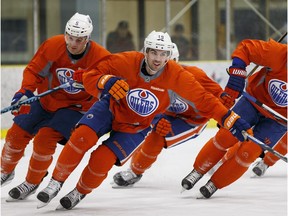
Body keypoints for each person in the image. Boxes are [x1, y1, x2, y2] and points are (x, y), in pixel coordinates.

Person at [36, 30, 252, 210]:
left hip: (137, 126)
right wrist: (105, 82)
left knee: (102, 159)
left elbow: (205, 101)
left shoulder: (178, 75)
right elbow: (91, 75)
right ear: (145, 51)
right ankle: (55, 182)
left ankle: (79, 191)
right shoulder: (125, 61)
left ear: (169, 56)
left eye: (163, 54)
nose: (158, 59)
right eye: (154, 52)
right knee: (81, 138)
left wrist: (229, 118)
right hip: (110, 108)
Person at [0, 12, 111, 201]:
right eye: (70, 37)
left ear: (88, 38)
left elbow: (108, 86)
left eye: (79, 39)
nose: (74, 43)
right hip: (46, 101)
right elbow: (35, 70)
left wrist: (90, 80)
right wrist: (25, 92)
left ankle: (32, 181)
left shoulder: (101, 57)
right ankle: (5, 171)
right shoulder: (53, 45)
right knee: (16, 133)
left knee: (44, 139)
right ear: (65, 34)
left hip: (77, 108)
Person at [111, 43, 234, 187]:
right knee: (143, 128)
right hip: (168, 114)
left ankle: (135, 172)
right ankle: (135, 168)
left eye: (166, 61)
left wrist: (224, 99)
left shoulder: (195, 75)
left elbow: (217, 95)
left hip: (192, 120)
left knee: (158, 136)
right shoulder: (152, 76)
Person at [180, 38, 287, 199]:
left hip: (278, 120)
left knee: (248, 153)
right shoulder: (279, 53)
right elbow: (246, 48)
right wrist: (238, 73)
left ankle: (215, 184)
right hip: (253, 102)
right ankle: (198, 170)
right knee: (226, 135)